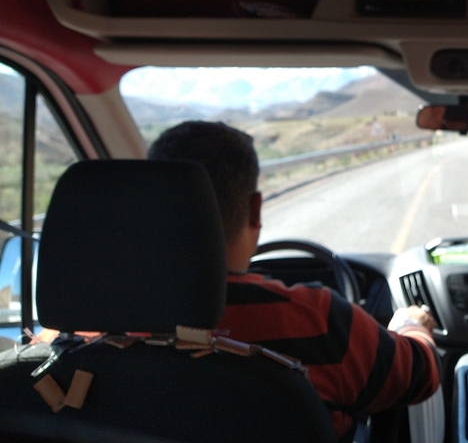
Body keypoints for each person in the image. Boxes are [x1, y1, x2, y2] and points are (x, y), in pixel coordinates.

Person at [148, 121, 440, 441]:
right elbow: (422, 375)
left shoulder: (102, 330)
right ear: (255, 210)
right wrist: (411, 325)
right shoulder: (319, 320)